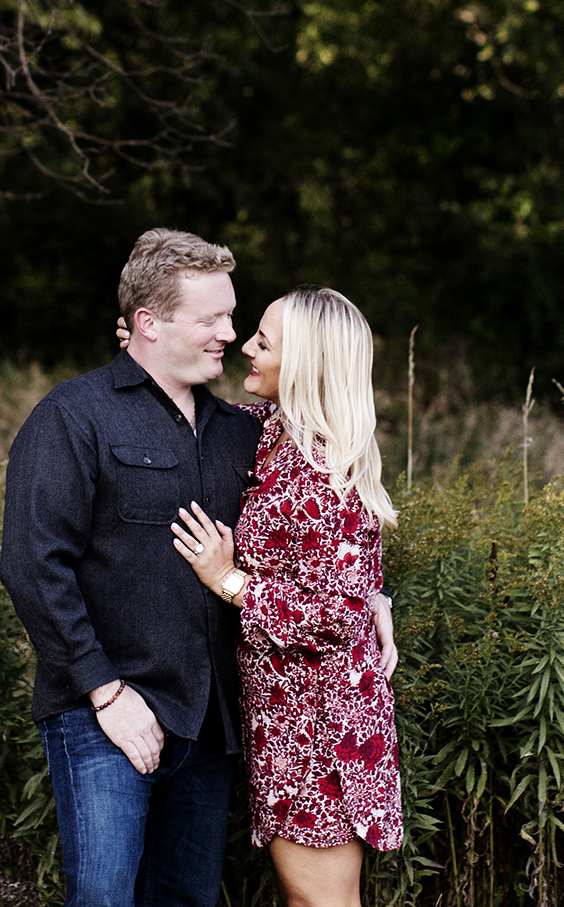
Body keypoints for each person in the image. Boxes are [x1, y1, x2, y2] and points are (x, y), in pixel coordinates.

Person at [0, 228, 265, 907]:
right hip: (104, 718)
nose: (229, 334)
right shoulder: (73, 415)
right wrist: (106, 692)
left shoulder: (242, 430)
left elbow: (313, 526)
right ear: (148, 323)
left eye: (231, 317)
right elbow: (33, 564)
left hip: (209, 725)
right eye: (211, 319)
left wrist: (370, 593)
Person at [161, 288, 405, 907]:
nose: (246, 345)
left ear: (304, 366)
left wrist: (228, 580)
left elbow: (336, 611)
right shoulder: (274, 434)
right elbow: (350, 578)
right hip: (287, 716)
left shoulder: (319, 470)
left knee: (321, 903)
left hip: (319, 726)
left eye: (264, 343)